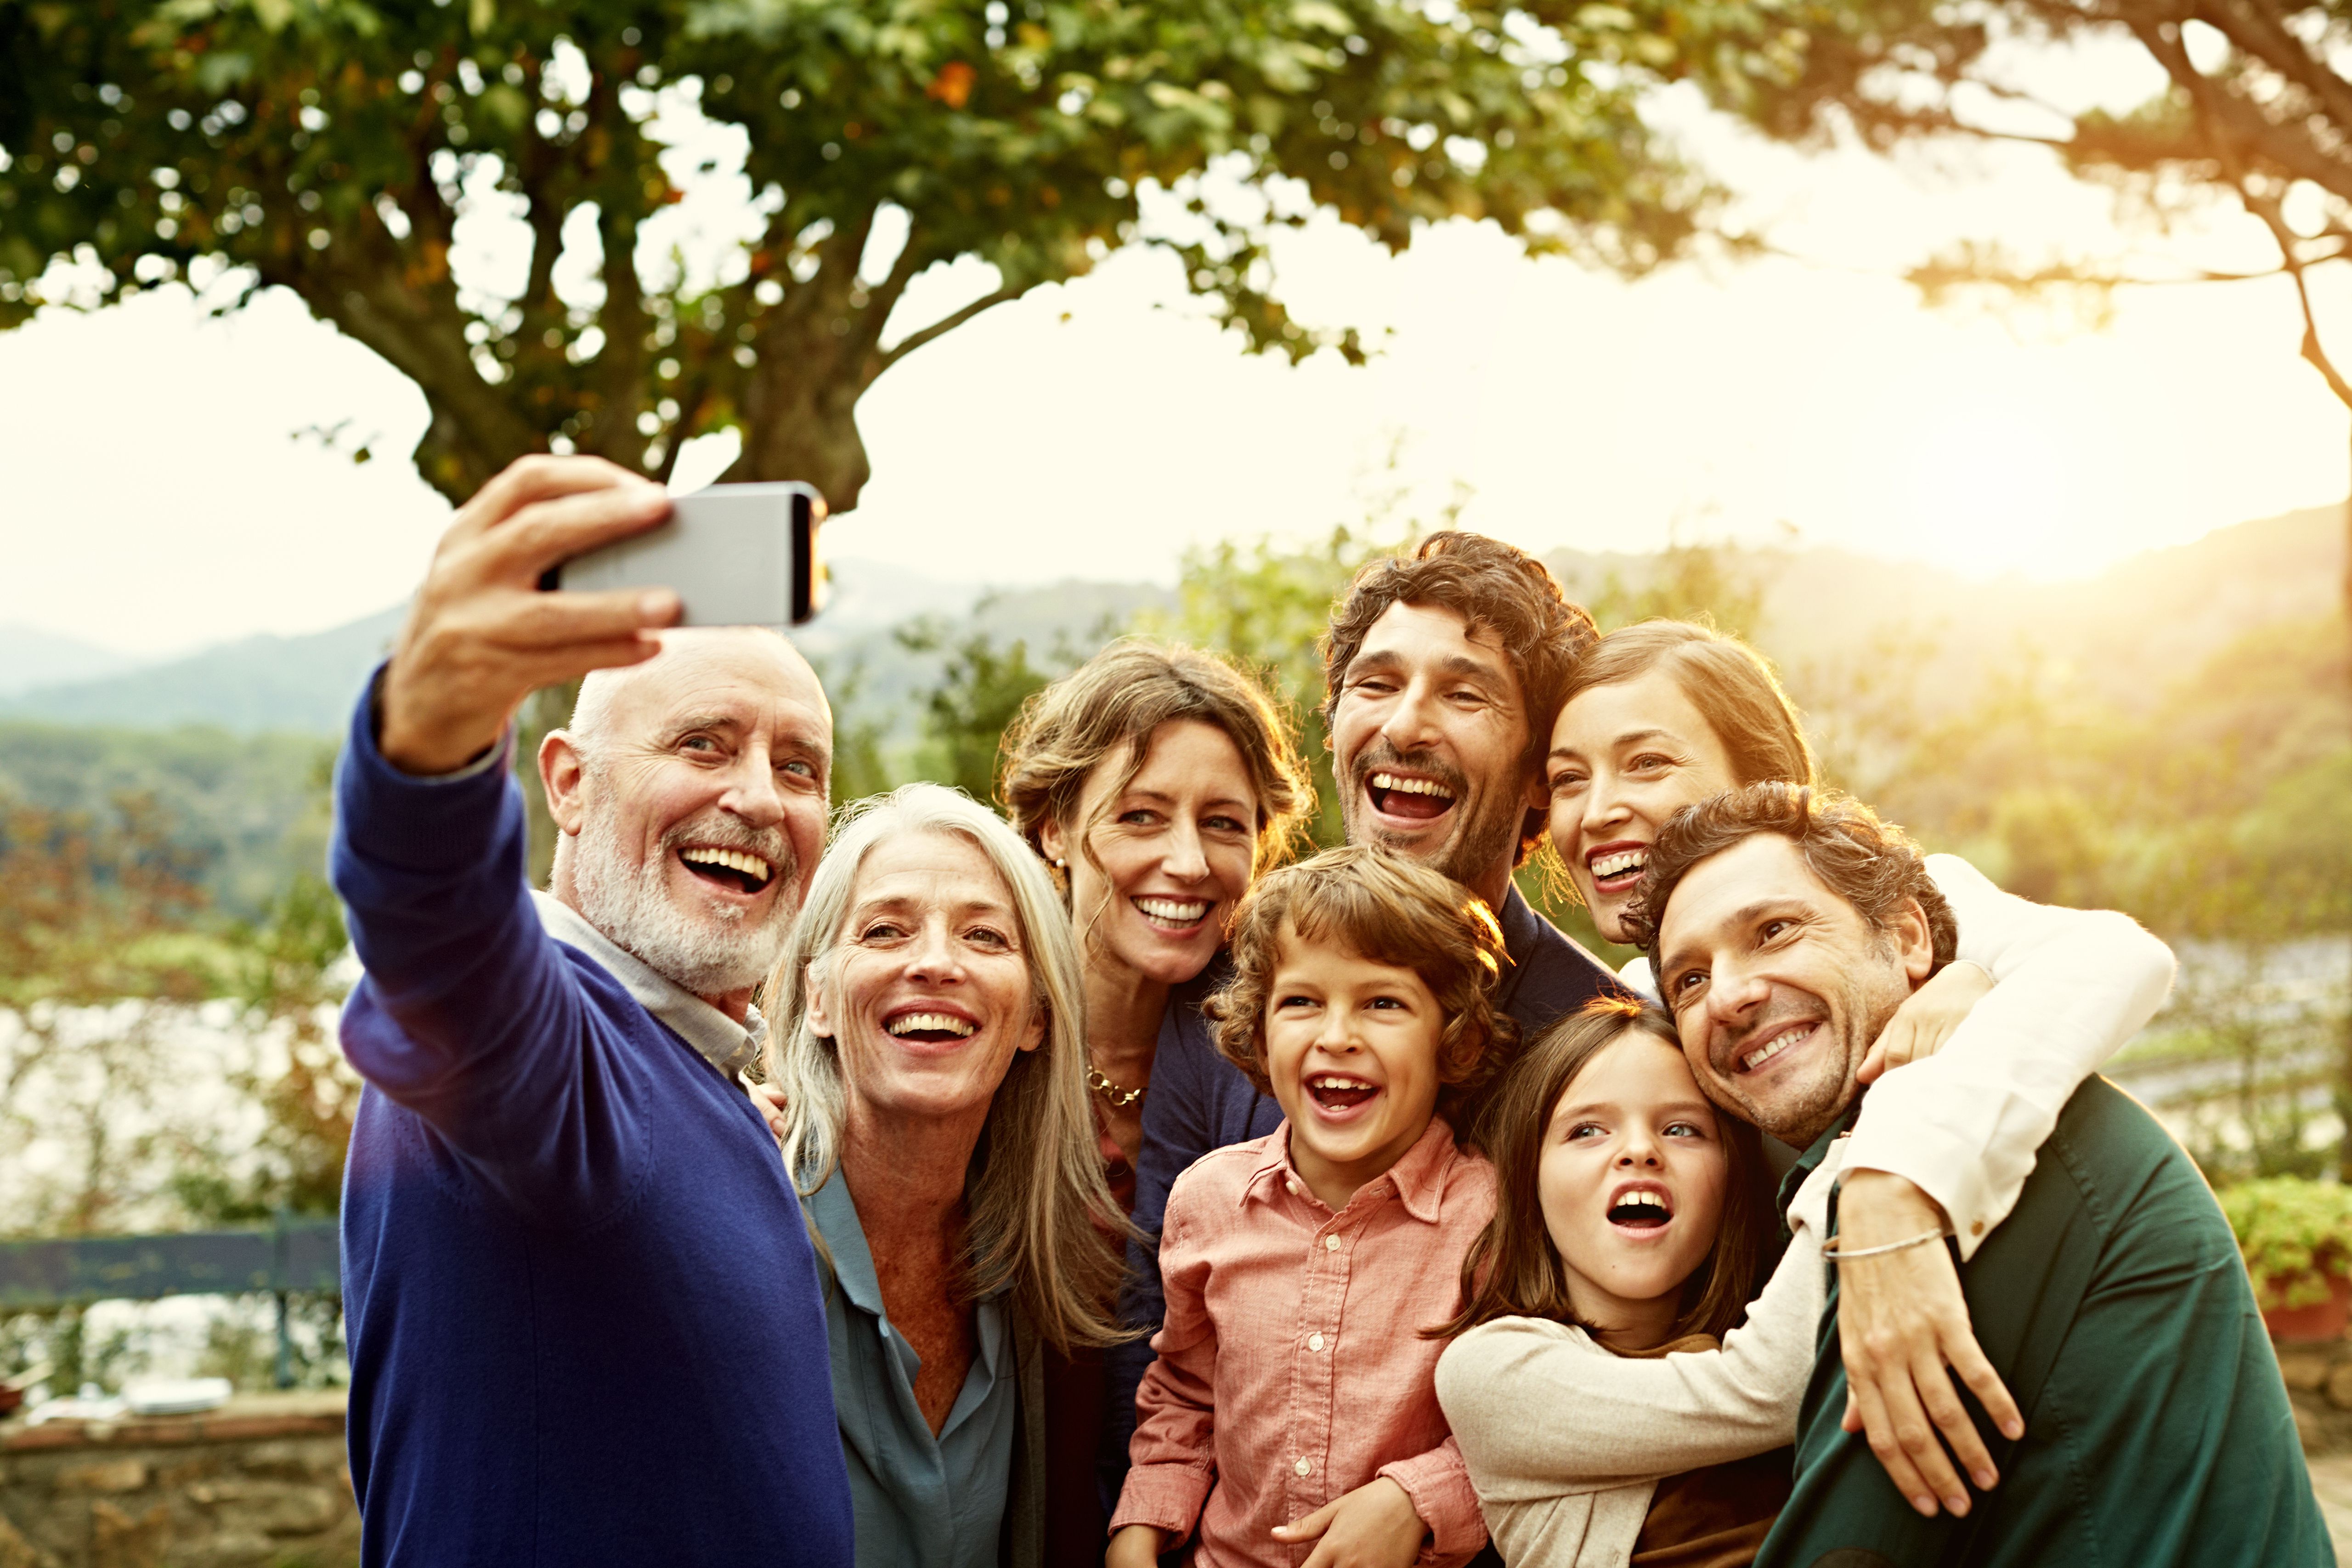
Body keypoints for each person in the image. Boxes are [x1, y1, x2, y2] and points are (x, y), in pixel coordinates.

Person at [330, 456, 852, 1563]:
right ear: (564, 782)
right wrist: (428, 741)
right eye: (703, 742)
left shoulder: (682, 1061)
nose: (758, 794)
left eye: (799, 765)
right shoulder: (547, 1040)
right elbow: (438, 939)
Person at [1540, 617, 2180, 1505]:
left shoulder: (1897, 906)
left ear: (1763, 780)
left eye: (1646, 762)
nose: (1597, 806)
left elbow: (2114, 958)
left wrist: (1895, 1174)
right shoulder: (1637, 997)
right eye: (1568, 778)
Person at [1636, 784, 2329, 1565]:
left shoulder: (1950, 1168)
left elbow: (1851, 1553)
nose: (1727, 995)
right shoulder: (1926, 1136)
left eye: (1775, 930)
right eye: (1689, 979)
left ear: (1907, 937)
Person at [1111, 532, 1622, 1488]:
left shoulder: (1602, 1039)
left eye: (1465, 693)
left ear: (1538, 779)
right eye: (1376, 683)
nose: (1408, 726)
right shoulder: (1222, 1002)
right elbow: (1157, 1352)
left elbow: (1622, 1370)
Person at [1108, 844, 1515, 1568]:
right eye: (1301, 1002)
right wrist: (1138, 1536)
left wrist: (1420, 1499)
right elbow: (1185, 1397)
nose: (1336, 1037)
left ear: (1452, 1036)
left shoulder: (1490, 1218)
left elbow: (1530, 1423)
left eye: (1382, 1003)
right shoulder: (1207, 1202)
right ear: (1260, 1029)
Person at [996, 639, 1312, 1560]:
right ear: (1055, 826)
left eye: (1223, 822)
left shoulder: (1287, 1059)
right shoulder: (975, 1024)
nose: (1187, 860)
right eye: (1140, 815)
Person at [763, 783, 1131, 1568]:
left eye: (985, 936)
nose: (934, 962)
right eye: (886, 930)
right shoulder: (741, 1222)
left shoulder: (1052, 1271)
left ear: (1037, 1013)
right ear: (818, 997)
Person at [1435, 1001, 1800, 1566]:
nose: (1638, 1150)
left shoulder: (1780, 1318)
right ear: (1528, 1179)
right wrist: (1872, 1163)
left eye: (1681, 1128)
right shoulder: (1490, 1371)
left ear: (1731, 1180)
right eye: (1586, 1130)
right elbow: (1767, 1391)